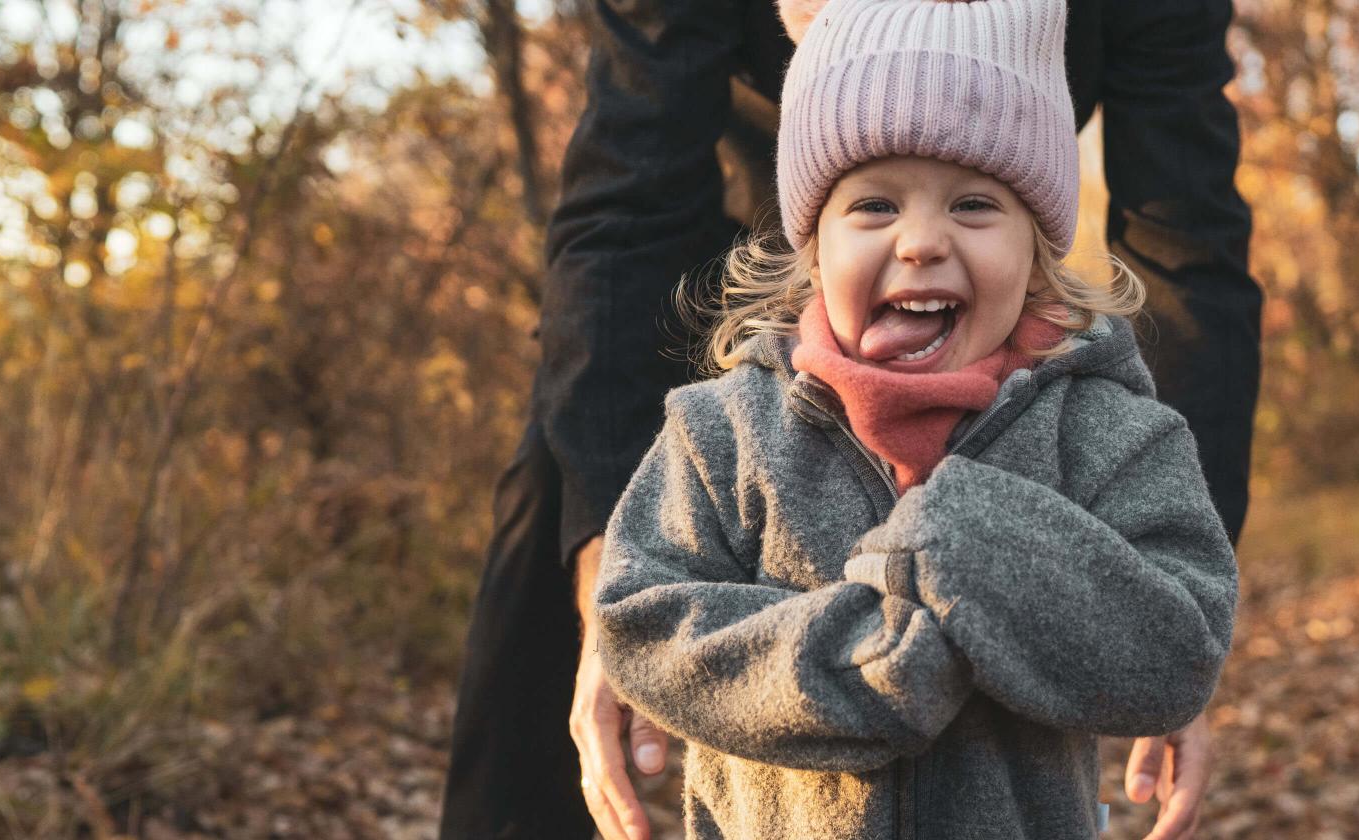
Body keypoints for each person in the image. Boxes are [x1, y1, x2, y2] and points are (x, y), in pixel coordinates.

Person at [437, 0, 1262, 834]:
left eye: (972, 207)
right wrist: (854, 661)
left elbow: (1190, 244)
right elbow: (622, 215)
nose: (921, 242)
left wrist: (965, 537)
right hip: (741, 210)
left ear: (1042, 256)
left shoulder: (1097, 430)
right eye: (881, 211)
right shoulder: (725, 435)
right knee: (546, 561)